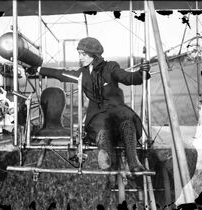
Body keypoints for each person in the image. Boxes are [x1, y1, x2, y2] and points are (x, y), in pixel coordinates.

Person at [26, 37, 150, 172]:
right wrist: (39, 70)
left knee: (126, 118)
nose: (80, 57)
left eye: (83, 54)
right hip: (97, 113)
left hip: (116, 109)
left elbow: (126, 77)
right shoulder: (82, 73)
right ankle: (107, 156)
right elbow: (60, 74)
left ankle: (134, 161)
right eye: (79, 54)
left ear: (93, 54)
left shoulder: (111, 67)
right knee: (101, 126)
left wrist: (140, 73)